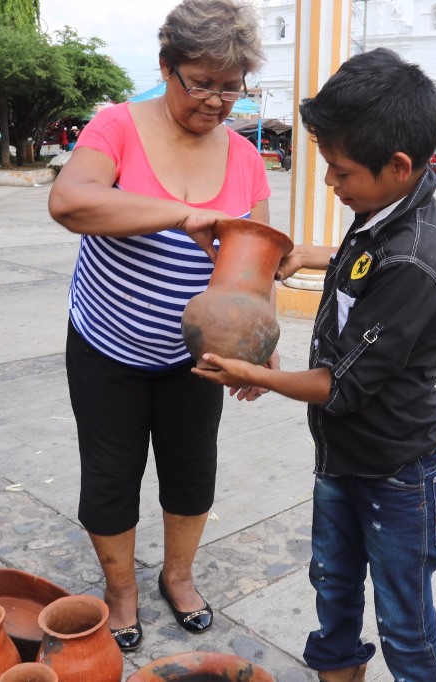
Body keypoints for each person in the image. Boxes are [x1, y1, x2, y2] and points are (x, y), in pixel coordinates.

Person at [192, 48, 436, 682]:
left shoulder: (416, 262)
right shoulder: (380, 212)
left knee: (405, 625)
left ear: (398, 166)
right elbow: (361, 262)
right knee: (334, 594)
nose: (330, 184)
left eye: (339, 173)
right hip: (342, 458)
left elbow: (337, 386)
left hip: (399, 475)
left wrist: (252, 373)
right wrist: (311, 254)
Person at [47, 0, 269, 654]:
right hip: (106, 344)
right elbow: (70, 201)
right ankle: (121, 590)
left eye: (231, 87)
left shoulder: (246, 159)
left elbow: (254, 267)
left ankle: (178, 575)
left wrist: (255, 349)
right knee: (111, 476)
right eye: (200, 82)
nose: (216, 100)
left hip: (192, 356)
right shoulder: (117, 126)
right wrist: (180, 215)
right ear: (166, 68)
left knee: (191, 470)